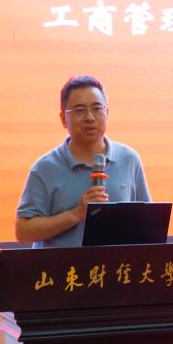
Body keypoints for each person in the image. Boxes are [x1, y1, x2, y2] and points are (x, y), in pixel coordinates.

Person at [15, 75, 151, 247]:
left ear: (107, 114)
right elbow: (23, 232)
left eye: (97, 109)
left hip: (116, 264)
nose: (90, 117)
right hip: (63, 264)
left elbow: (147, 223)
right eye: (79, 110)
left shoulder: (129, 159)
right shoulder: (45, 168)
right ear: (63, 119)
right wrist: (75, 214)